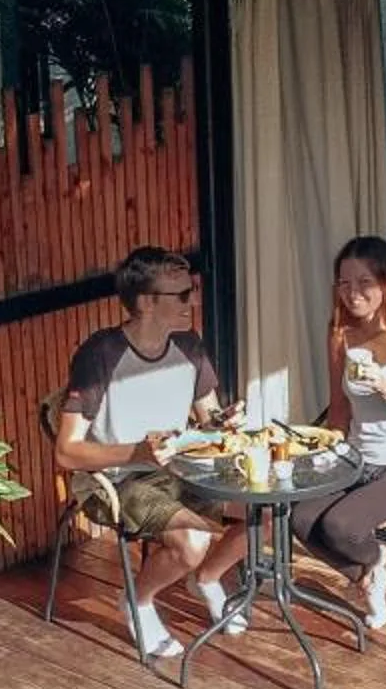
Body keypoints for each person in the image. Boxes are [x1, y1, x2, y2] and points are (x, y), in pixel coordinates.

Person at [57, 247, 249, 659]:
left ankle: (208, 579)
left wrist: (223, 422)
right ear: (146, 302)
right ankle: (137, 602)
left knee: (267, 510)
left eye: (191, 291)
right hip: (114, 480)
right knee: (193, 541)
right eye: (181, 295)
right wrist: (137, 454)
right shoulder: (101, 354)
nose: (193, 301)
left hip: (180, 472)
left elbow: (208, 417)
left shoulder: (189, 347)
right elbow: (67, 452)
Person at [291, 235, 386, 629]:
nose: (352, 293)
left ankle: (374, 561)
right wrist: (326, 453)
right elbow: (339, 409)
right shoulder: (340, 332)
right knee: (297, 515)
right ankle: (367, 574)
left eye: (363, 282)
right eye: (343, 283)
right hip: (359, 458)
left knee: (340, 526)